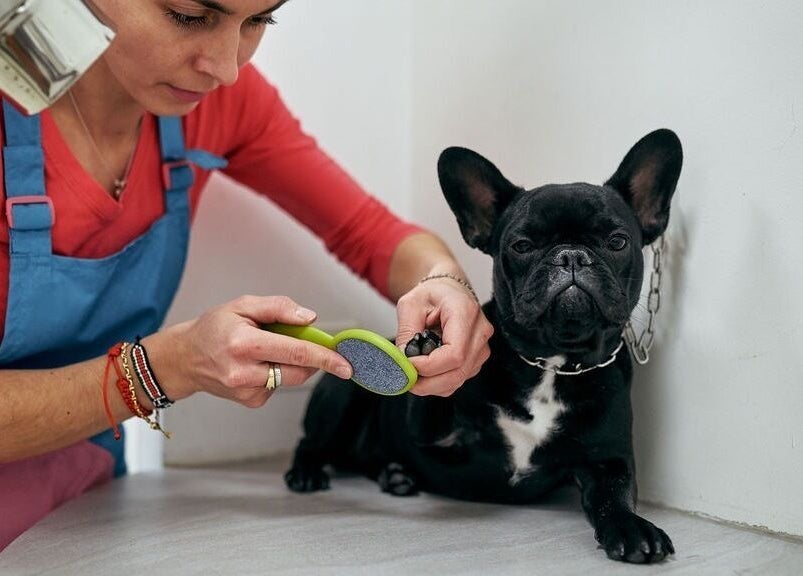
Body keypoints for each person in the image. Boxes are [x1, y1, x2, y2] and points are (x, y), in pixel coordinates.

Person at [0, 0, 493, 550]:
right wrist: (162, 369)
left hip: (77, 510)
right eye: (188, 15)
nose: (226, 66)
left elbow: (367, 232)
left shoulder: (219, 104)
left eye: (260, 20)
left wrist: (445, 282)